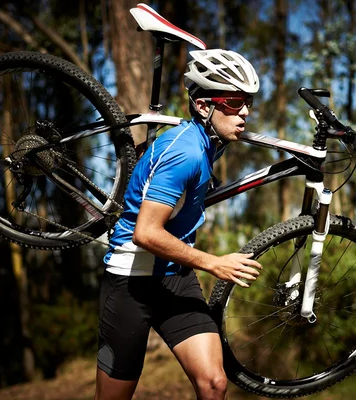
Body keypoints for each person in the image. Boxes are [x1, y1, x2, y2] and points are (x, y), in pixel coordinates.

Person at [94, 49, 263, 400]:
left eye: (247, 101)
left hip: (175, 279)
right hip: (131, 284)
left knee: (214, 383)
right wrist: (214, 262)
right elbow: (146, 233)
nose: (245, 111)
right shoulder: (184, 152)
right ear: (203, 107)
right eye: (233, 102)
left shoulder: (212, 140)